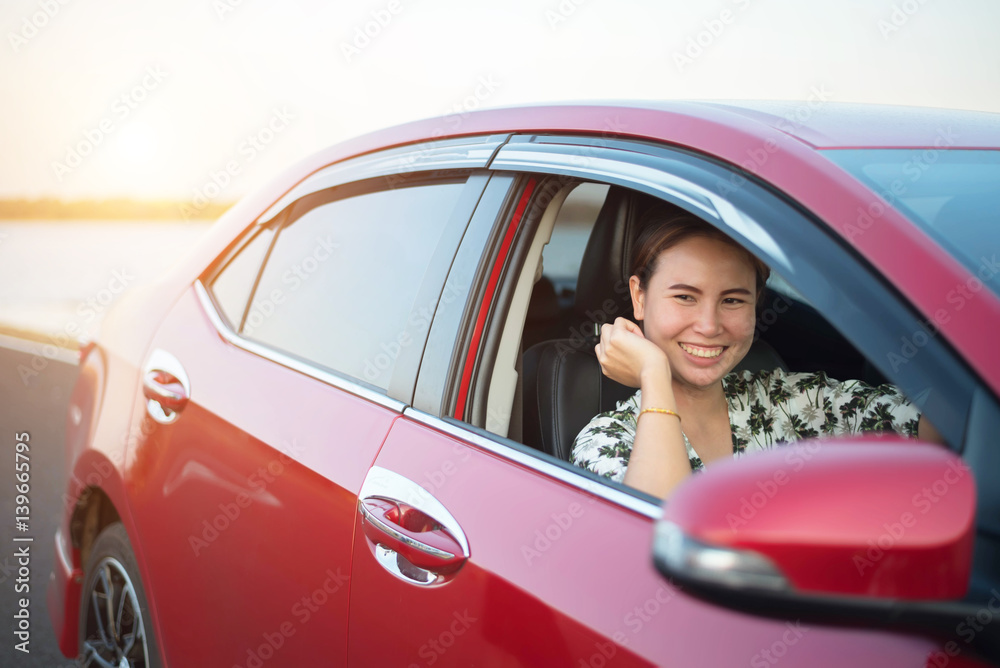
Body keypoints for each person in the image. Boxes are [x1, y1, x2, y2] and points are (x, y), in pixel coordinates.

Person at [570, 211, 940, 499]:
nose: (709, 325)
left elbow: (940, 429)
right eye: (685, 297)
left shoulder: (788, 402)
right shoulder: (608, 439)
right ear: (639, 297)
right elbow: (653, 541)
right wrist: (653, 373)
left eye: (732, 300)